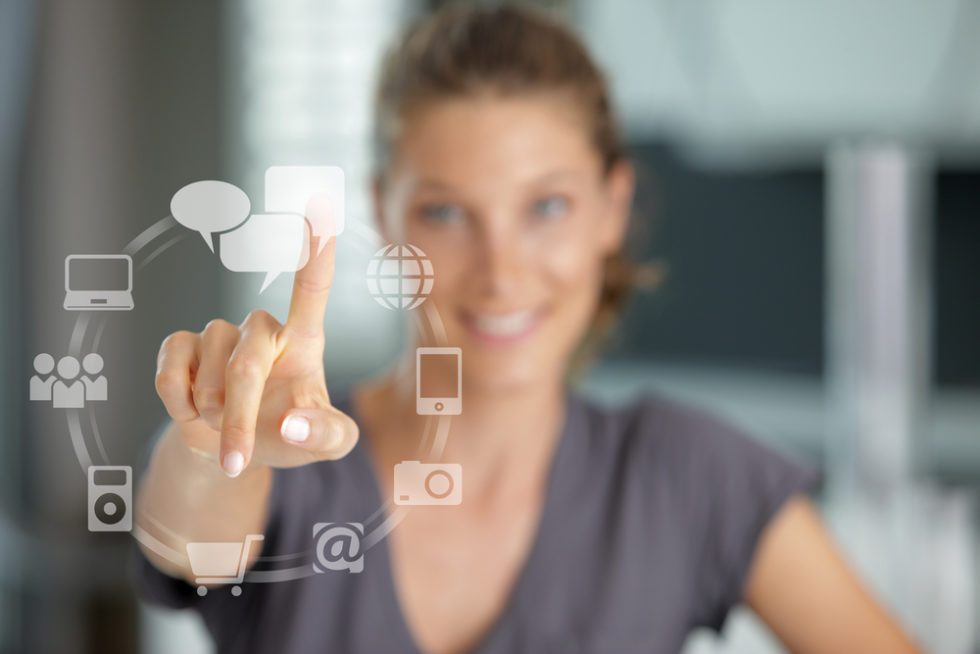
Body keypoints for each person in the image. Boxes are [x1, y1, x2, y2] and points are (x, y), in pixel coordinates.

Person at [135, 5, 922, 654]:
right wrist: (215, 443)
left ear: (613, 207)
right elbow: (186, 532)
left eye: (546, 207)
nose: (501, 271)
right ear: (384, 213)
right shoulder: (299, 463)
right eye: (445, 212)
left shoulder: (686, 477)